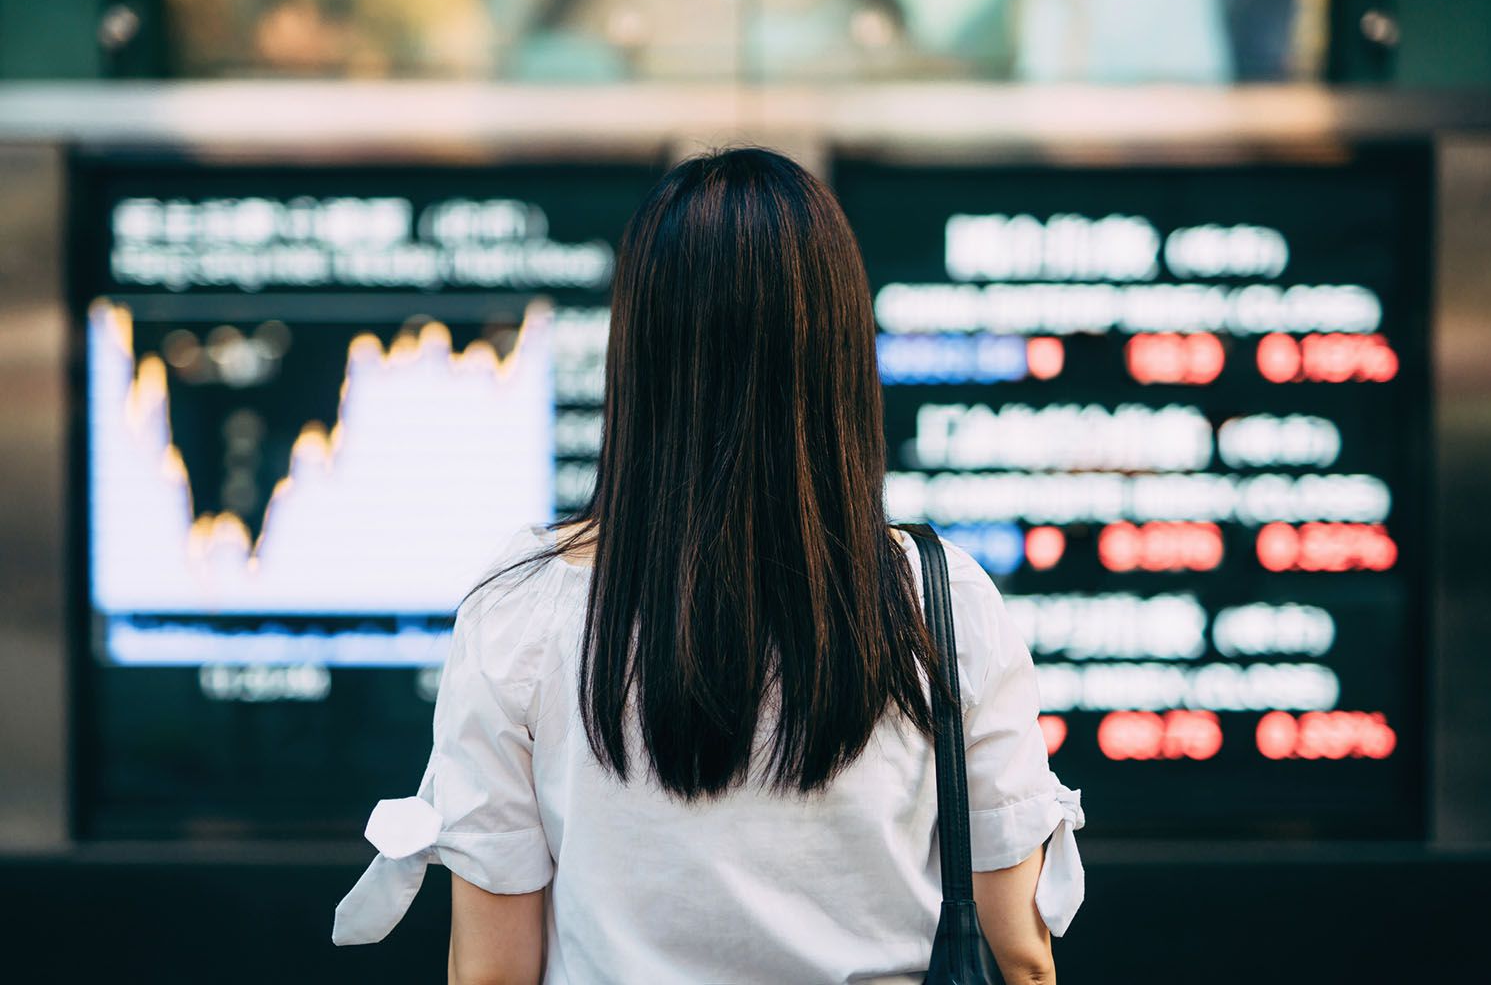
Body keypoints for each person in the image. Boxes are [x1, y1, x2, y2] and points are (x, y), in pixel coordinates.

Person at [332, 146, 1084, 983]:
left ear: (639, 354)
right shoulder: (939, 605)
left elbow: (493, 973)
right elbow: (1019, 958)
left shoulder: (523, 611)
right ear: (837, 354)